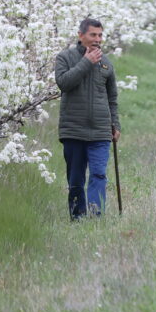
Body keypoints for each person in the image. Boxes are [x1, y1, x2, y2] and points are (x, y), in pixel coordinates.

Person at [55, 17, 121, 219]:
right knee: (75, 179)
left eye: (100, 35)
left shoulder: (106, 63)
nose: (97, 39)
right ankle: (77, 217)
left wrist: (115, 124)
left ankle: (95, 217)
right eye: (93, 35)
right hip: (73, 130)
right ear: (81, 35)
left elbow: (112, 98)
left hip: (101, 131)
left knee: (99, 174)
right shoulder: (65, 57)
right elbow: (63, 83)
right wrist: (86, 62)